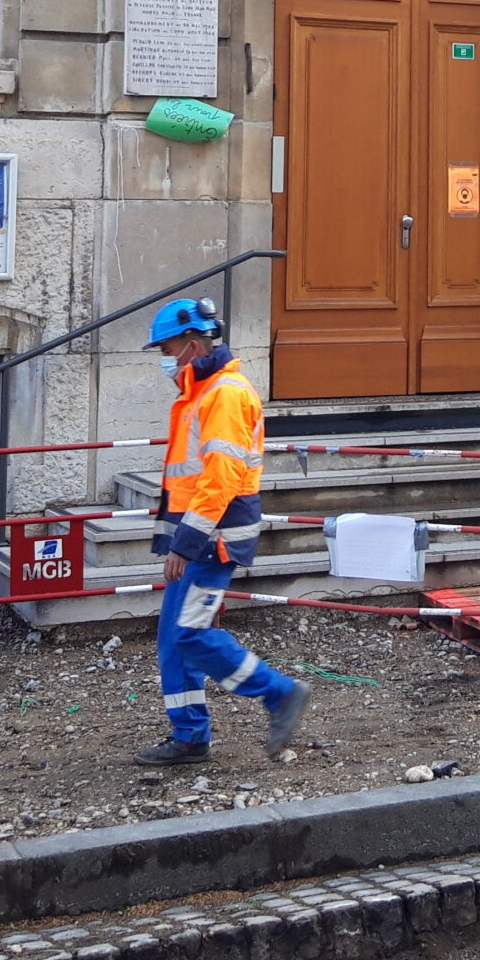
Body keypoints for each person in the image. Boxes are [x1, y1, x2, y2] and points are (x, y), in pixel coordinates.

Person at [133, 297, 310, 766]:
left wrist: (186, 545)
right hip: (199, 536)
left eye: (166, 348)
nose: (163, 358)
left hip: (213, 540)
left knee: (189, 635)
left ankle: (280, 693)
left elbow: (220, 479)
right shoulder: (201, 393)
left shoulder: (224, 394)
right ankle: (190, 736)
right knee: (175, 639)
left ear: (191, 345)